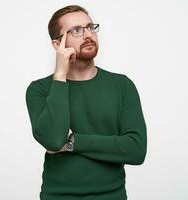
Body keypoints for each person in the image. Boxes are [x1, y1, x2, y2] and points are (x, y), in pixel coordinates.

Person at [25, 4, 147, 200]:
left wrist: (74, 141)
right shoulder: (39, 89)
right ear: (58, 44)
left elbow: (136, 149)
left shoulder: (122, 85)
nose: (88, 34)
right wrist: (60, 76)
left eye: (90, 27)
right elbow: (54, 140)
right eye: (76, 30)